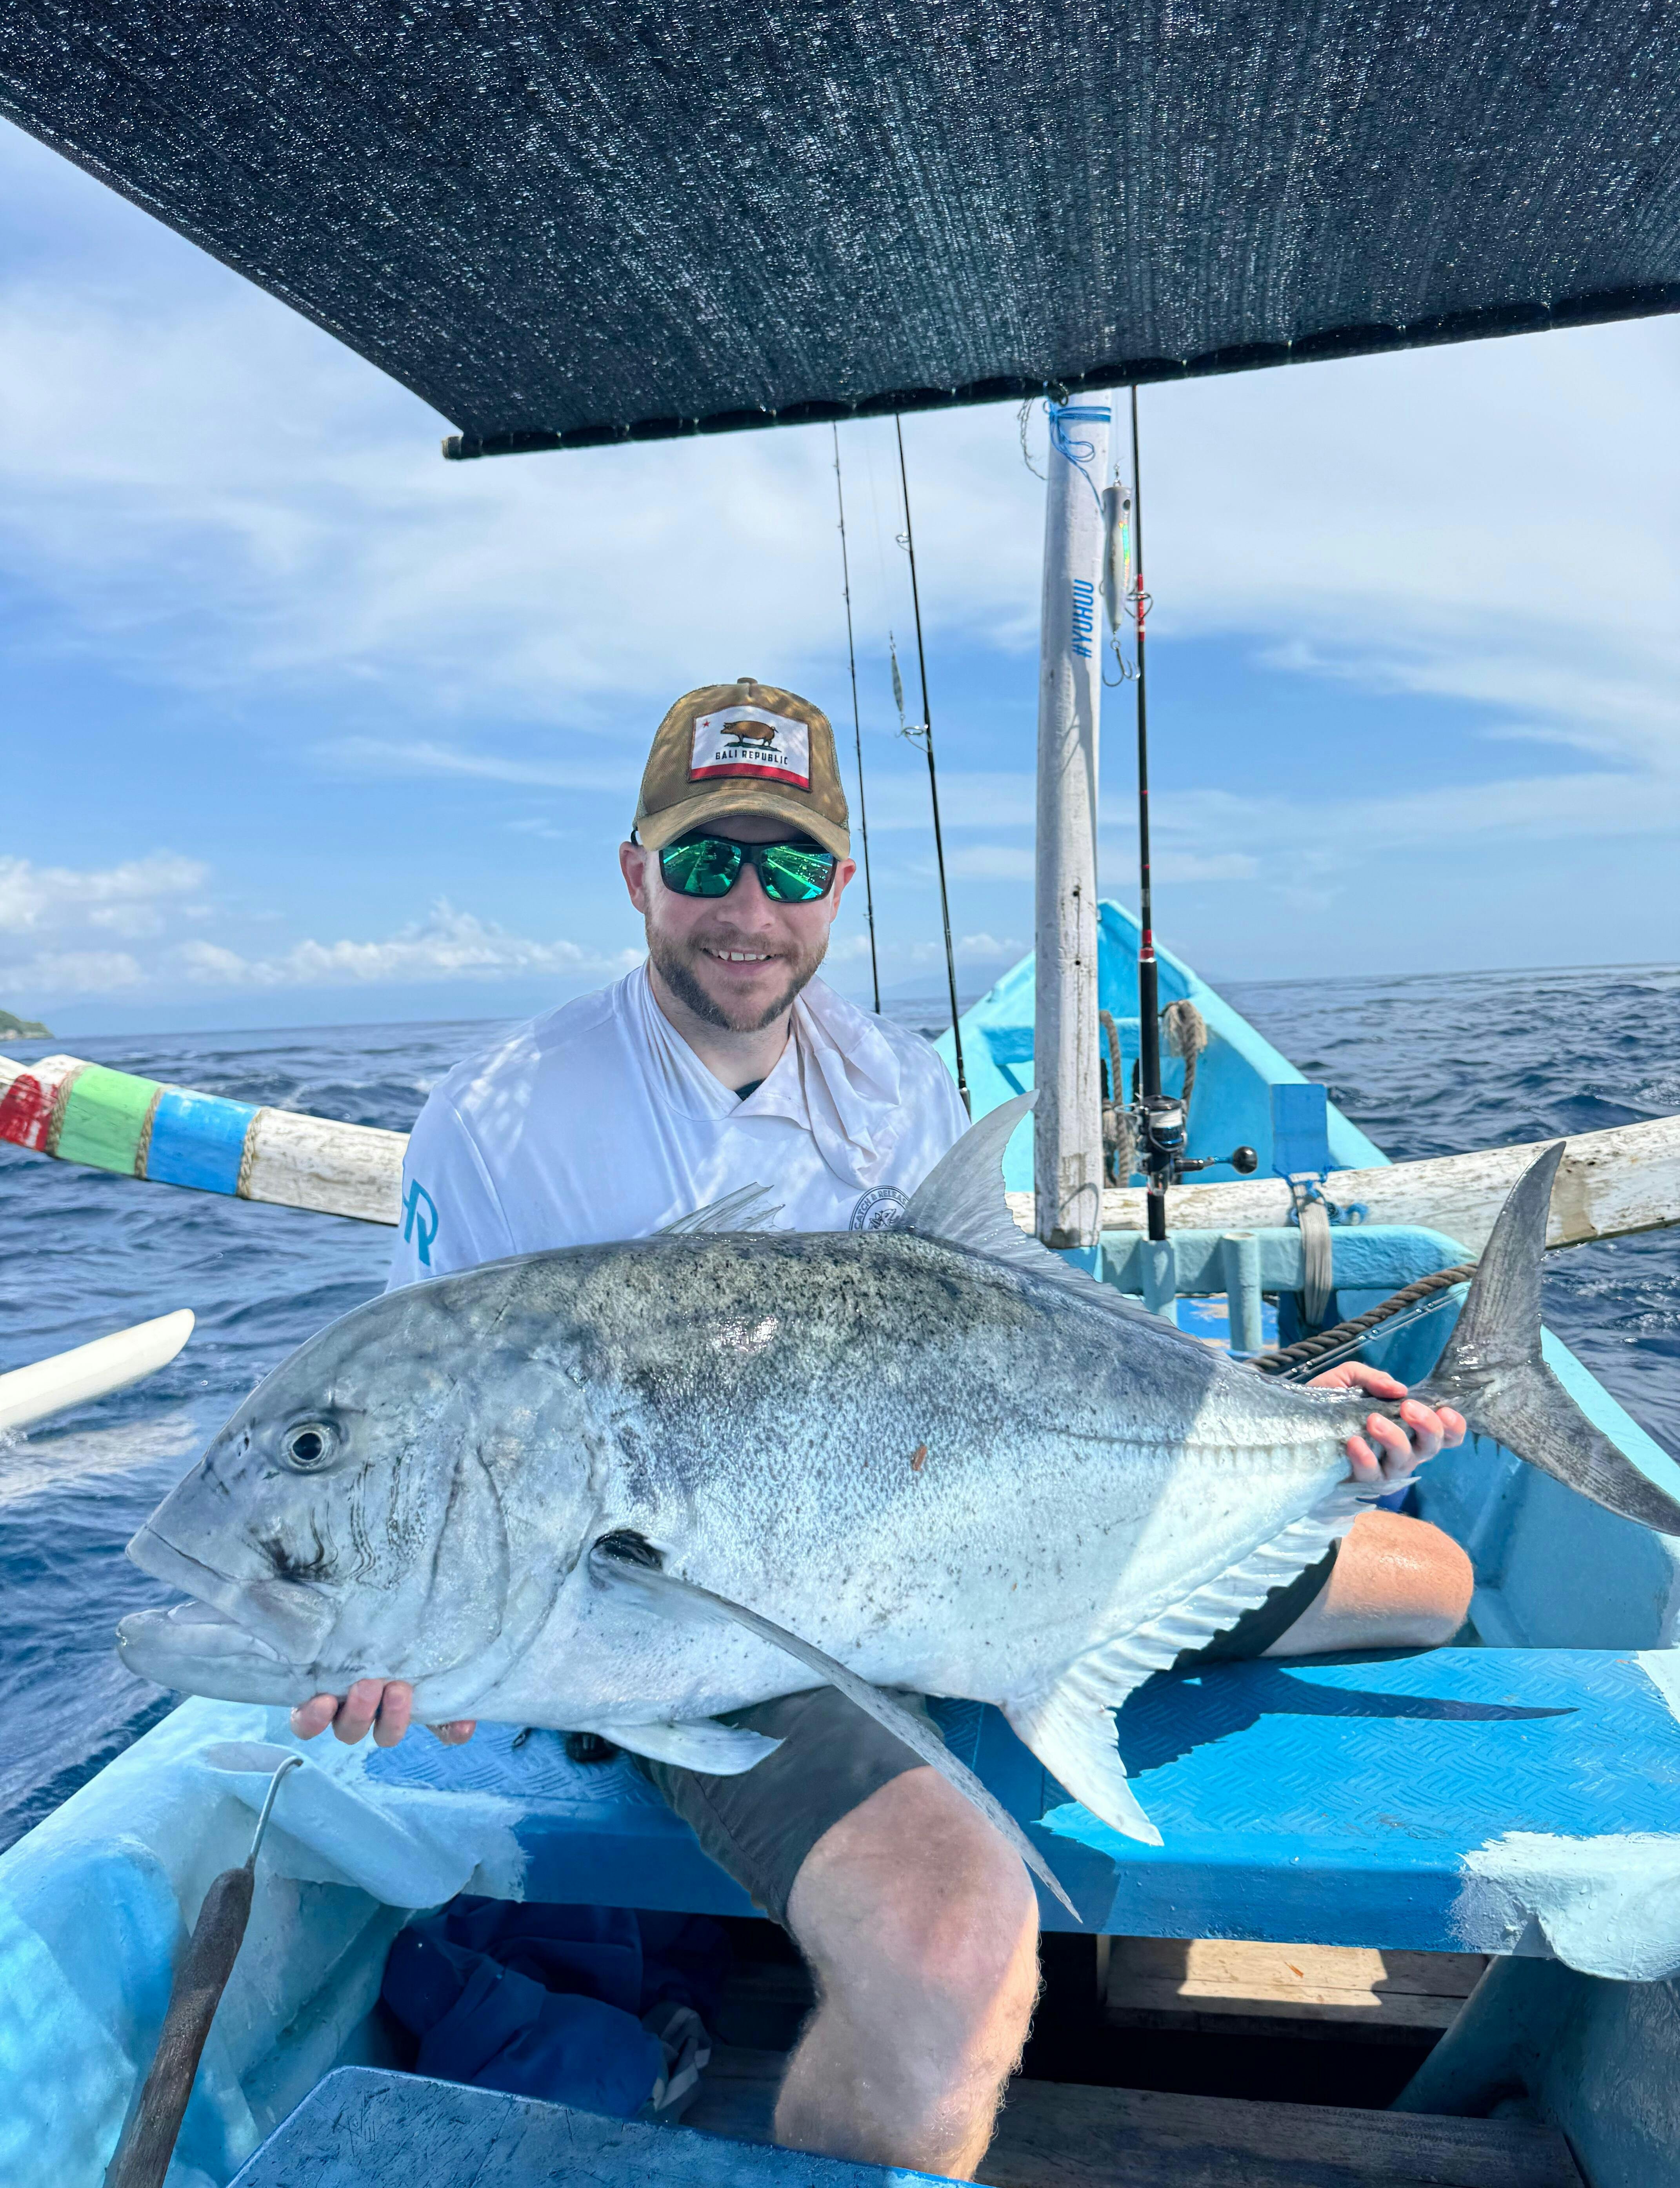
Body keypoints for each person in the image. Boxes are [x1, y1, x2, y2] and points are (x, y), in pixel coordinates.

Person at [292, 678, 1471, 2177]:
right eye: (704, 859)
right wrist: (408, 1629)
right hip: (716, 1622)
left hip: (970, 1539)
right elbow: (425, 1441)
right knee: (948, 1943)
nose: (747, 910)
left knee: (1432, 1588)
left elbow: (1025, 1346)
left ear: (838, 889)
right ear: (636, 873)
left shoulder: (892, 1081)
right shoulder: (503, 1119)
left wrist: (1290, 1419)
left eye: (789, 869)